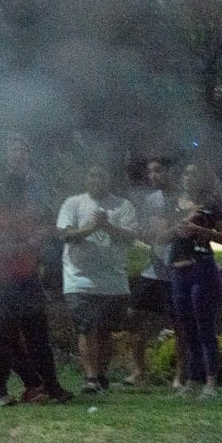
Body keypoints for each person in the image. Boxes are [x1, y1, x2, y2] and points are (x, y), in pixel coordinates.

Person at [0, 172, 69, 404]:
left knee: (38, 336)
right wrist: (33, 243)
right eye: (23, 192)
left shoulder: (24, 217)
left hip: (25, 280)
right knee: (0, 337)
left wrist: (41, 243)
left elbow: (33, 250)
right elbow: (2, 250)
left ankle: (50, 386)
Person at [56, 164, 139, 393]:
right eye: (92, 175)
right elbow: (65, 234)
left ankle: (101, 374)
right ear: (86, 179)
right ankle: (90, 378)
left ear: (108, 179)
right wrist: (92, 227)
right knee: (86, 328)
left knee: (105, 331)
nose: (96, 180)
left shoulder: (123, 205)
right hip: (79, 278)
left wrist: (107, 226)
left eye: (101, 176)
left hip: (112, 281)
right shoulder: (73, 203)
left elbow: (131, 237)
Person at [167, 162, 222, 398]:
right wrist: (179, 225)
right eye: (186, 173)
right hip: (178, 269)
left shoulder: (210, 207)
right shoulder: (175, 205)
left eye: (194, 174)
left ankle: (211, 383)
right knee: (186, 327)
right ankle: (192, 380)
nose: (189, 178)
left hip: (201, 267)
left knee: (205, 326)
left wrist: (199, 230)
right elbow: (160, 235)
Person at [127, 157, 176, 388]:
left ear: (170, 171)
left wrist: (165, 232)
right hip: (153, 268)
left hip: (177, 268)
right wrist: (142, 232)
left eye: (158, 171)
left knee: (179, 323)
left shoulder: (183, 198)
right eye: (150, 172)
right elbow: (148, 230)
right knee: (134, 316)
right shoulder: (150, 200)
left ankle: (180, 376)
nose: (153, 176)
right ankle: (139, 372)